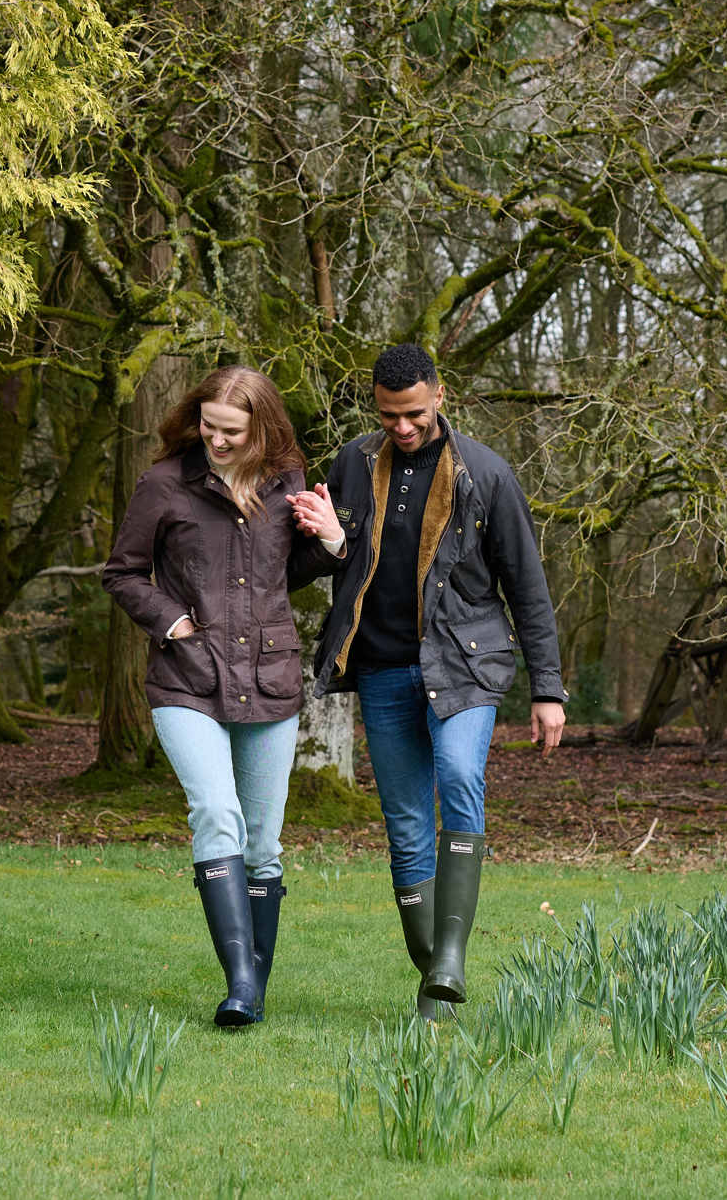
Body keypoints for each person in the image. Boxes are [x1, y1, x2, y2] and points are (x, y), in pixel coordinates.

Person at [289, 344, 565, 1019]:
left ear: (439, 395)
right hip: (382, 667)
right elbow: (305, 566)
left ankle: (451, 956)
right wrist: (327, 539)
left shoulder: (486, 475)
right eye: (388, 416)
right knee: (406, 823)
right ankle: (432, 975)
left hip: (467, 666)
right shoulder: (352, 464)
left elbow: (526, 587)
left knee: (460, 775)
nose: (402, 427)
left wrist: (548, 688)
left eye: (413, 412)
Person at [102, 365, 343, 1027]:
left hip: (269, 679)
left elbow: (284, 575)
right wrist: (168, 619)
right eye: (208, 425)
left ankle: (252, 992)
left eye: (231, 430)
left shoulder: (286, 479)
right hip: (187, 676)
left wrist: (331, 538)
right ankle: (239, 980)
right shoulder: (163, 485)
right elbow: (122, 573)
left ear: (260, 428)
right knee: (215, 811)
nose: (217, 439)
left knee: (262, 845)